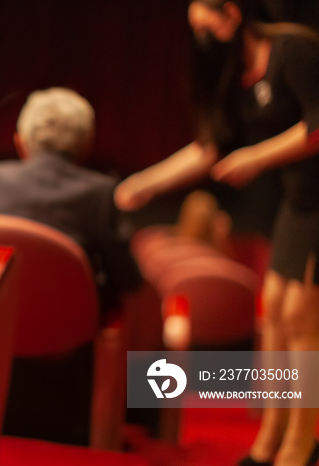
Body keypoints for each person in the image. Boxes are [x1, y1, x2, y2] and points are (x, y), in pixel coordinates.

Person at [115, 1, 319, 465]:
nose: (203, 37)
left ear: (233, 12)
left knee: (302, 314)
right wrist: (145, 183)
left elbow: (316, 126)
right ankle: (270, 438)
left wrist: (258, 157)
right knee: (275, 315)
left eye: (208, 23)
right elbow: (211, 148)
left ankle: (299, 445)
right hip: (298, 200)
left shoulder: (293, 50)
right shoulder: (234, 73)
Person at [0, 87, 141, 311]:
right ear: (87, 146)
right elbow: (128, 281)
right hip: (65, 337)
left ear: (19, 142)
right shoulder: (100, 194)